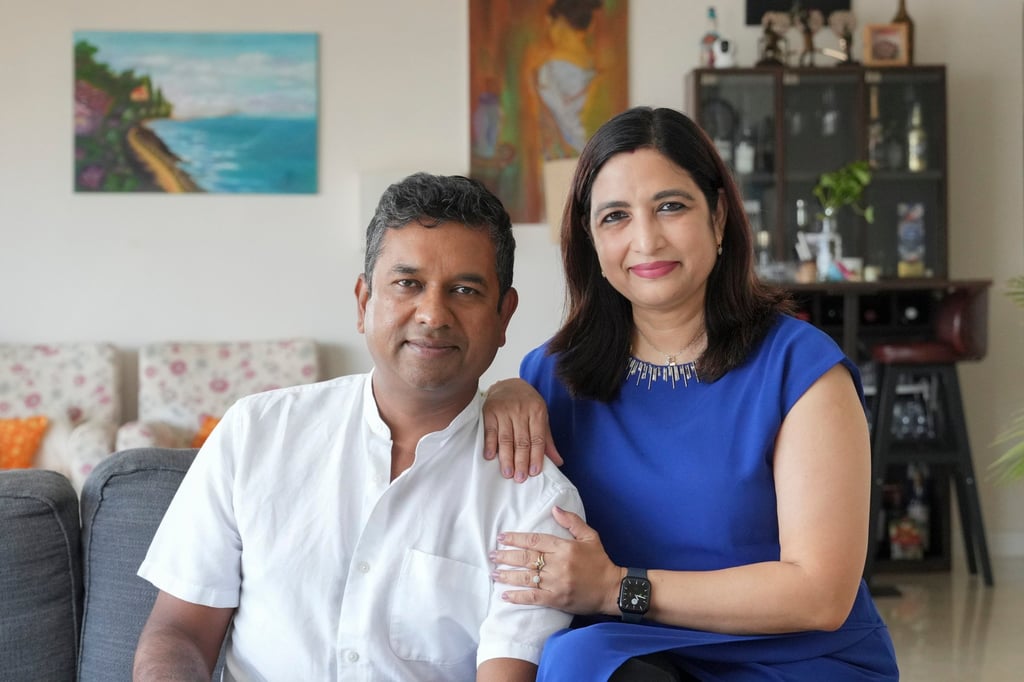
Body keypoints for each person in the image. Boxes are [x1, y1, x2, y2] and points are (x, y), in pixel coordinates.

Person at [481, 107, 900, 680]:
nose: (646, 239)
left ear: (719, 216)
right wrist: (500, 393)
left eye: (671, 206)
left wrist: (616, 589)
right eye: (615, 217)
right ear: (591, 239)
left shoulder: (801, 368)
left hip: (795, 655)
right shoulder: (550, 376)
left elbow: (820, 594)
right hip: (634, 655)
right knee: (576, 659)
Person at [132, 173, 585, 681]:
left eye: (464, 290)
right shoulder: (254, 433)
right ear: (363, 302)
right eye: (407, 284)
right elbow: (179, 631)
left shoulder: (535, 498)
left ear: (504, 316)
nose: (433, 314)